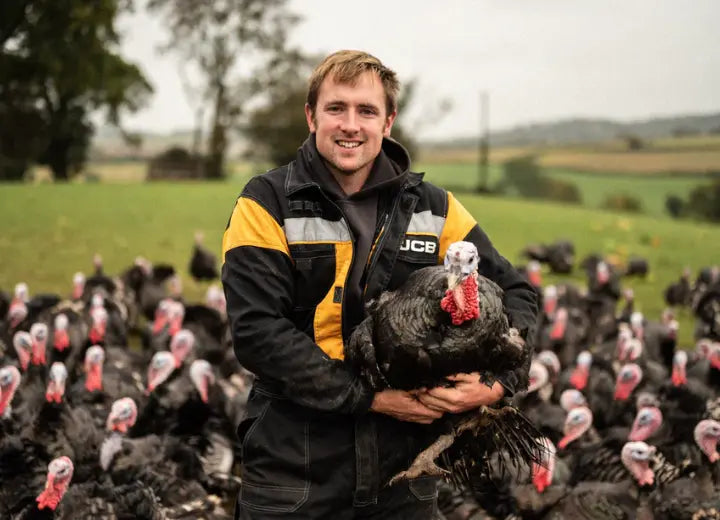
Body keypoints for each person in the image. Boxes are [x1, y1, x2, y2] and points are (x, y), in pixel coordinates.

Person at [222, 50, 538, 519]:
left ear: (388, 122)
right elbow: (257, 332)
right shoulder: (266, 204)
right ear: (312, 116)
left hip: (405, 475)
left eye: (366, 111)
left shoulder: (435, 208)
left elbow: (518, 294)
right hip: (296, 471)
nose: (351, 124)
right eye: (336, 108)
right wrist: (371, 398)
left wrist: (495, 385)